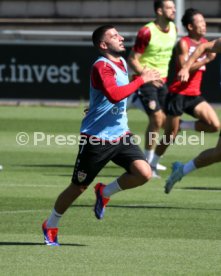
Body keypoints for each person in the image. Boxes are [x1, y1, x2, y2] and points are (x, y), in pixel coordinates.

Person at [42, 25, 162, 246]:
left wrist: (141, 79)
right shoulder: (101, 66)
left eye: (119, 34)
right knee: (77, 187)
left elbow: (112, 94)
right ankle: (50, 224)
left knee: (144, 173)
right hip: (96, 139)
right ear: (103, 45)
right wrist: (140, 80)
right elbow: (115, 95)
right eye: (114, 36)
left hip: (121, 135)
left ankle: (104, 191)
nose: (121, 37)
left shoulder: (122, 63)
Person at [150, 8, 220, 176]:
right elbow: (183, 69)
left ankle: (183, 125)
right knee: (170, 135)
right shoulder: (184, 43)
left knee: (214, 125)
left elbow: (203, 50)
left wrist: (205, 58)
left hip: (194, 94)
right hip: (178, 93)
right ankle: (152, 164)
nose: (204, 25)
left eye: (204, 22)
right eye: (200, 22)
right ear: (190, 26)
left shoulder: (204, 44)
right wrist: (205, 60)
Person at [164, 37, 221, 193]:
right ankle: (181, 170)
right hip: (178, 93)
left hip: (192, 95)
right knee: (218, 153)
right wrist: (186, 67)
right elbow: (203, 47)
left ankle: (182, 169)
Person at [127, 0, 177, 172]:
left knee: (166, 123)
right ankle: (148, 163)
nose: (174, 10)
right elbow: (132, 59)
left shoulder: (174, 30)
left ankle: (151, 160)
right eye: (169, 7)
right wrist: (146, 76)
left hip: (162, 82)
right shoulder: (146, 31)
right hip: (146, 80)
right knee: (156, 119)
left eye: (173, 7)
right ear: (159, 11)